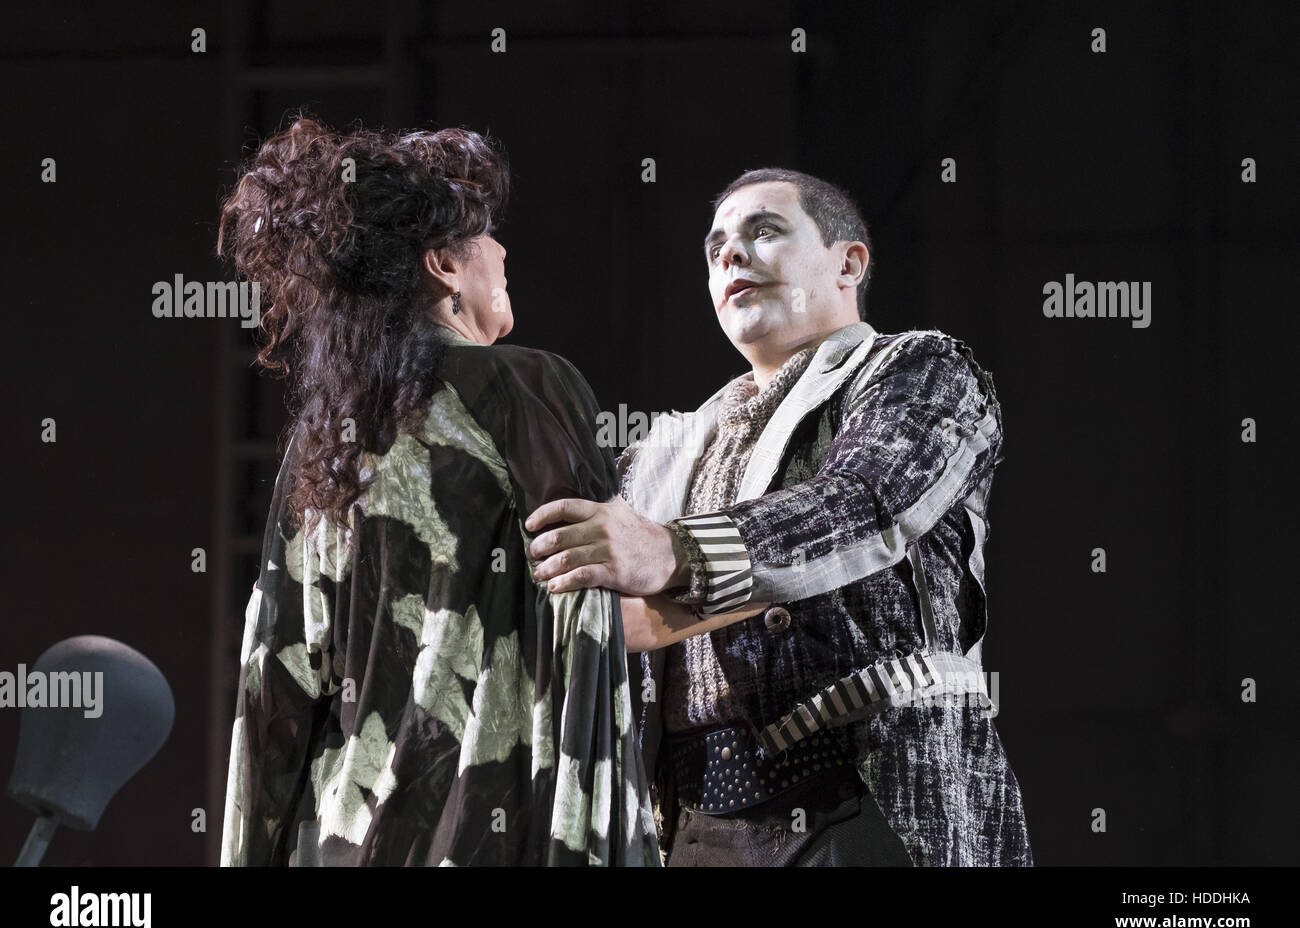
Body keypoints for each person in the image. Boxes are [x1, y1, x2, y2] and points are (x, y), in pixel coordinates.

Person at [527, 168, 1034, 866]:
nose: (732, 254)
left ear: (848, 262)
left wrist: (673, 554)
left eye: (764, 232)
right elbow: (599, 609)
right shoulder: (656, 456)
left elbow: (868, 503)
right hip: (693, 825)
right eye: (716, 249)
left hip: (870, 803)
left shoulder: (920, 369)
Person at [215, 114, 663, 865]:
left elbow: (275, 690)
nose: (503, 249)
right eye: (484, 234)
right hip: (492, 831)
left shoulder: (320, 440)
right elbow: (585, 638)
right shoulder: (530, 386)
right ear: (444, 268)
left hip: (345, 837)